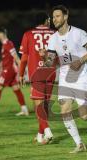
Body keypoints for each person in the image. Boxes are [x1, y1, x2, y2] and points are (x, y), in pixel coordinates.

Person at [41, 5, 87, 153]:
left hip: (81, 75)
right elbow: (50, 61)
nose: (55, 20)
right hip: (65, 77)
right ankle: (79, 144)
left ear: (66, 17)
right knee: (65, 110)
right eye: (53, 17)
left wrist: (80, 60)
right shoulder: (53, 38)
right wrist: (44, 56)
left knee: (84, 116)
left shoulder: (79, 33)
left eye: (58, 16)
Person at [19, 12, 55, 144]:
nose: (50, 21)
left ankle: (47, 131)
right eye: (49, 19)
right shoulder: (54, 34)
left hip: (36, 73)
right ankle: (40, 135)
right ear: (46, 20)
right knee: (44, 106)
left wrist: (21, 74)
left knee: (38, 106)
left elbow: (24, 59)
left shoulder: (28, 34)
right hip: (50, 73)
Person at [0, 27, 28, 116]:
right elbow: (4, 59)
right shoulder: (4, 44)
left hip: (8, 71)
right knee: (16, 89)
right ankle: (24, 109)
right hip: (8, 70)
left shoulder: (8, 44)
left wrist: (22, 69)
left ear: (1, 34)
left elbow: (16, 57)